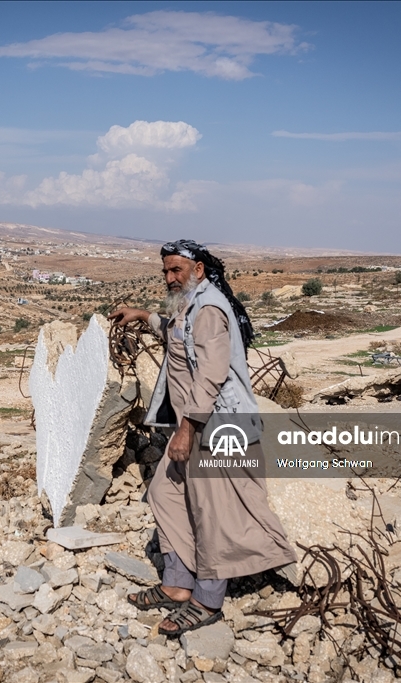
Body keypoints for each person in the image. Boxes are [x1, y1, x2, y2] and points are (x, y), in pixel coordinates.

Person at [112, 239, 299, 637]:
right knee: (165, 492)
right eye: (165, 271)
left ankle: (207, 601)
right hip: (196, 426)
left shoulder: (210, 309)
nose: (169, 277)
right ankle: (178, 583)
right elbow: (177, 335)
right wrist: (144, 315)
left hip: (214, 428)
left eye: (176, 270)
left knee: (212, 512)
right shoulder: (189, 305)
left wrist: (186, 430)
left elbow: (212, 374)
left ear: (198, 270)